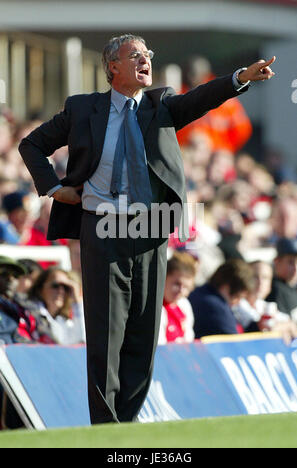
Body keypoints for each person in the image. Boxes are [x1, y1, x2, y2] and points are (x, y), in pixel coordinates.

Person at [18, 32, 276, 424]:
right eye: (134, 55)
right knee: (107, 335)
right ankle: (105, 429)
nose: (145, 60)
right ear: (112, 68)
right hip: (101, 228)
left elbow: (202, 97)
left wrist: (240, 76)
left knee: (143, 332)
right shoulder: (83, 108)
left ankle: (128, 424)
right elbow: (32, 144)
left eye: (148, 54)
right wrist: (55, 188)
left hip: (152, 229)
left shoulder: (162, 103)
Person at [189, 259, 256, 338]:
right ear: (225, 287)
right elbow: (235, 343)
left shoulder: (199, 292)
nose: (238, 302)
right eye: (237, 297)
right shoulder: (215, 307)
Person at [27, 267, 85, 345]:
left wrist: (76, 302)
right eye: (55, 285)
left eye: (66, 287)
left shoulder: (62, 321)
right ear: (40, 289)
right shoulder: (29, 315)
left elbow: (81, 340)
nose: (61, 291)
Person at [158, 252, 196, 345]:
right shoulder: (156, 307)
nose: (181, 291)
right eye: (176, 284)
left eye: (186, 287)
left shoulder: (184, 304)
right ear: (164, 278)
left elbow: (189, 340)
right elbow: (159, 348)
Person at [266, 238, 297, 323]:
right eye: (290, 262)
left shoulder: (293, 287)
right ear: (277, 262)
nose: (295, 268)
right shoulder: (274, 289)